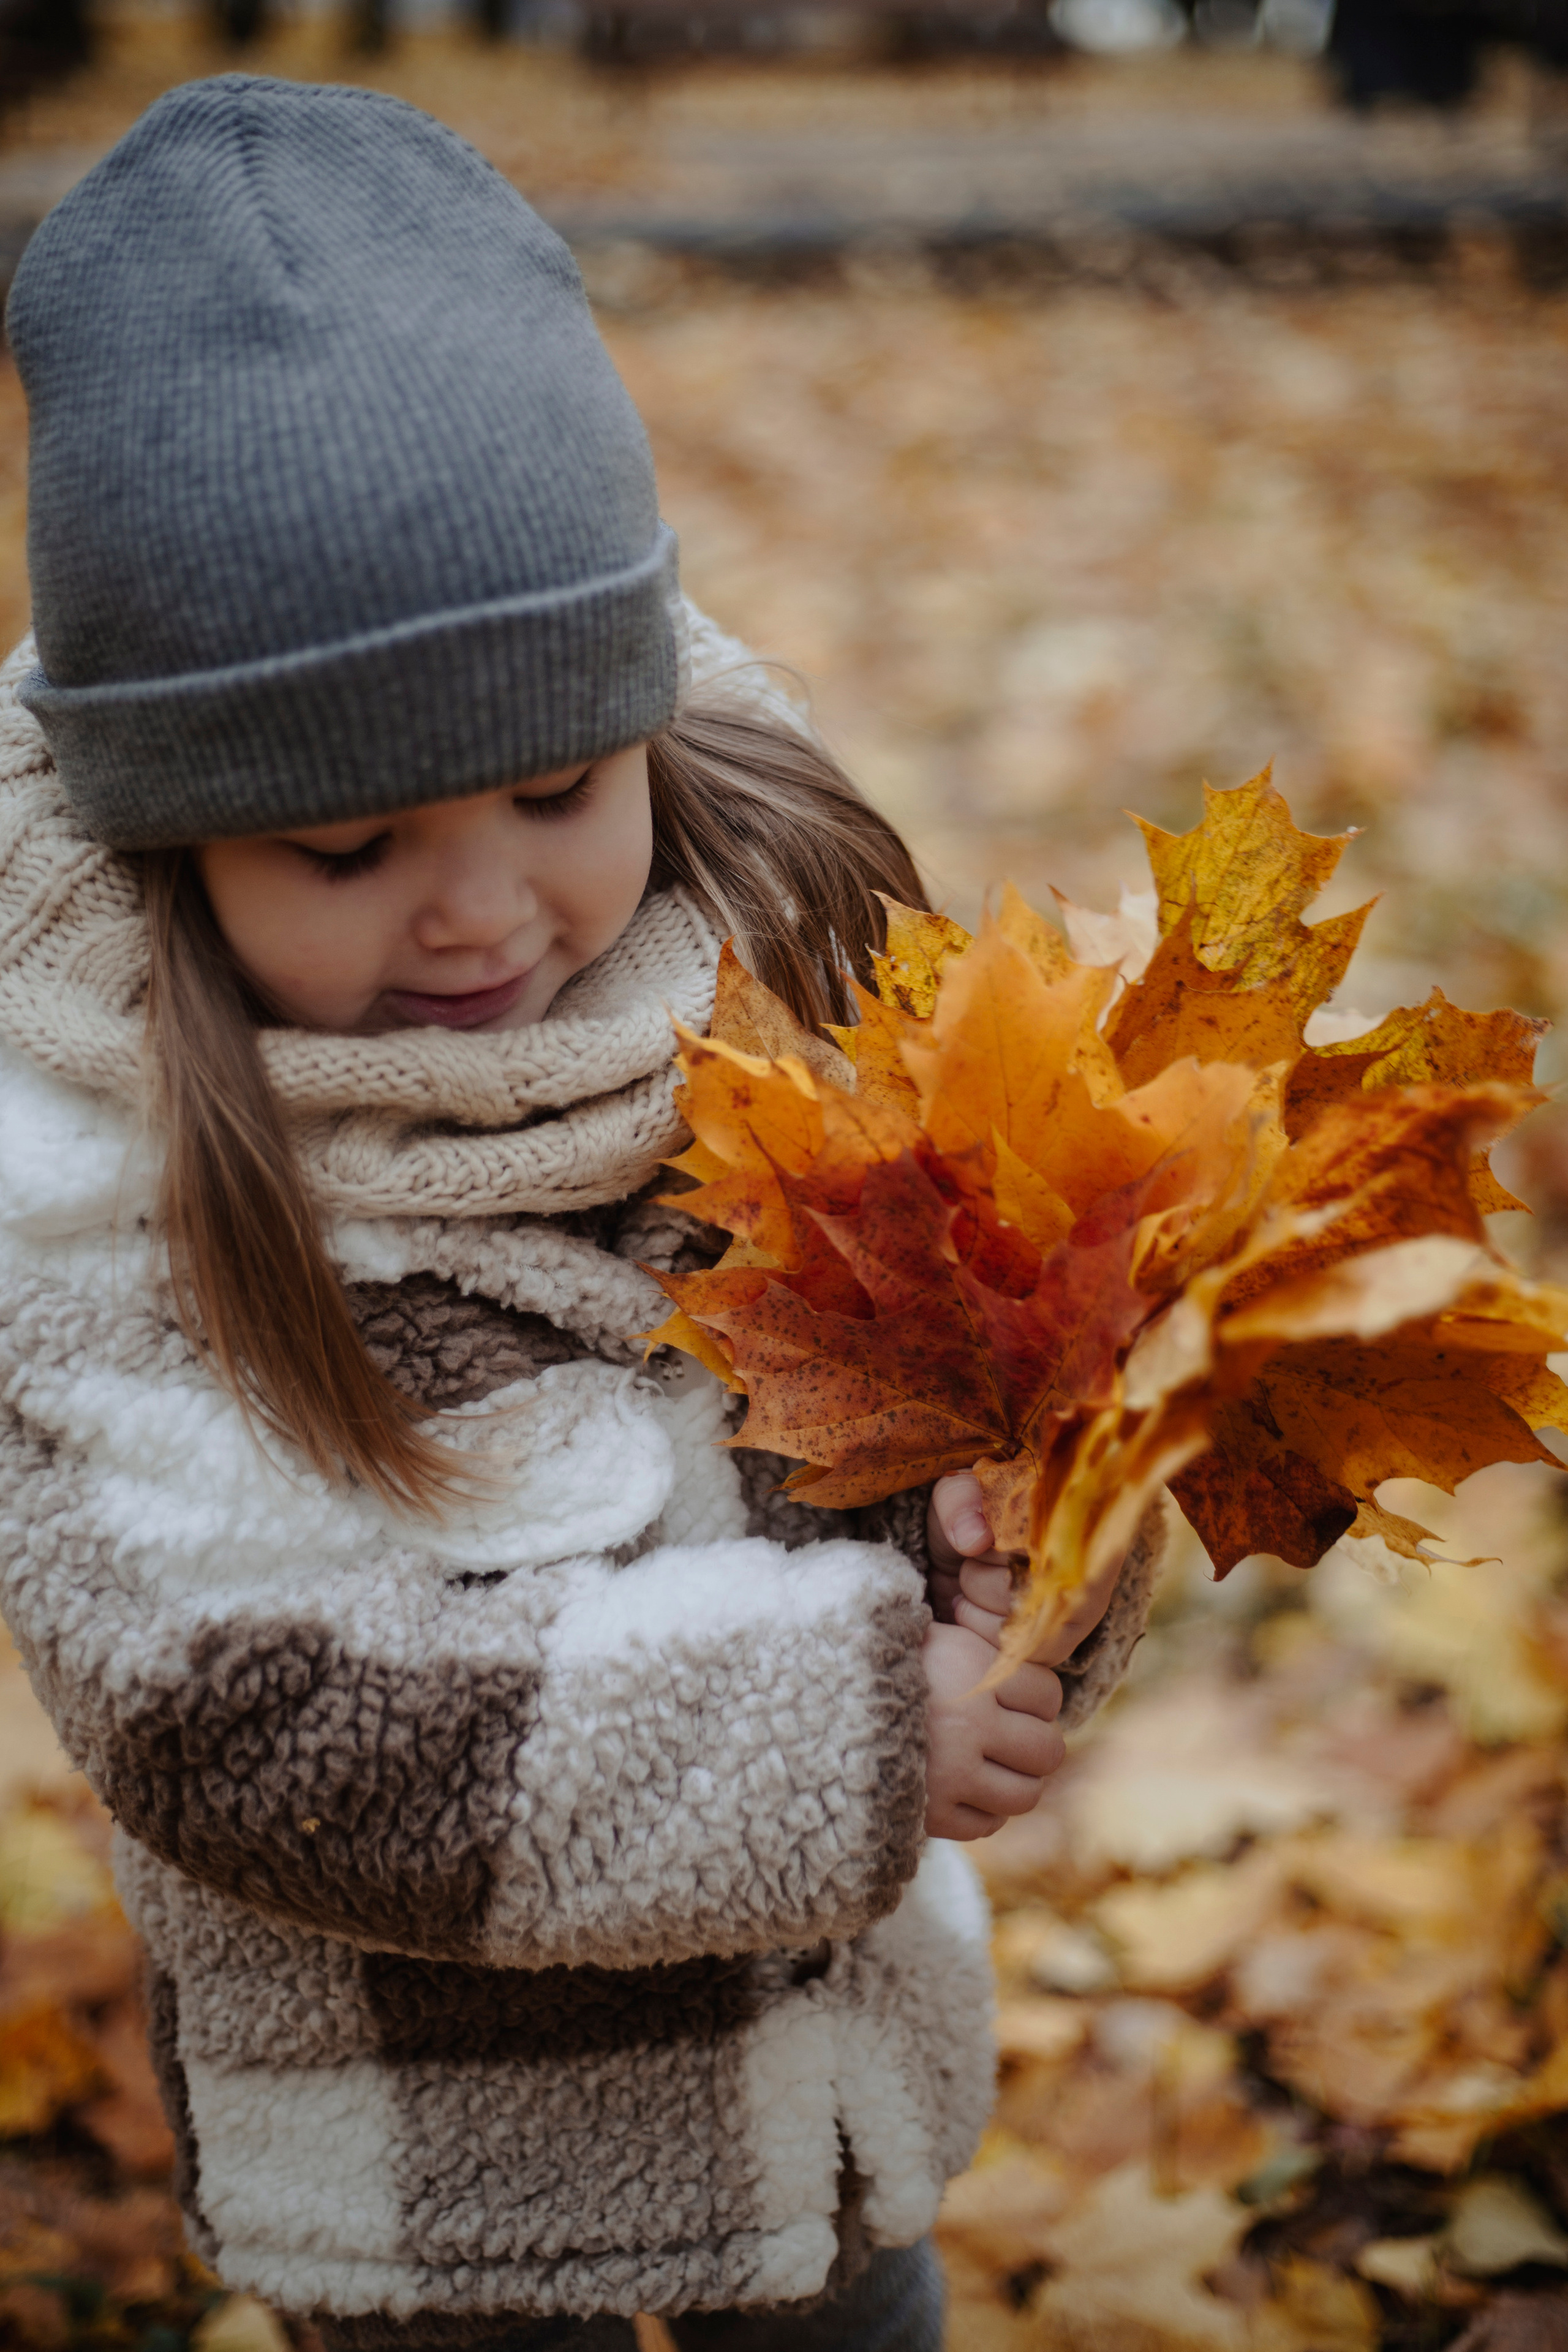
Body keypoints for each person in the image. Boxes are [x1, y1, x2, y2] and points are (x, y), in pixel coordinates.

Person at [0, 75, 1164, 2352]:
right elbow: (245, 1722)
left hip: (822, 2105)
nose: (479, 911)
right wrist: (850, 1740)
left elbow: (932, 1419)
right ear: (173, 843)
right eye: (344, 852)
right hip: (446, 2195)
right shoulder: (92, 1166)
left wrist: (1027, 1570)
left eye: (555, 788)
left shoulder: (774, 959)